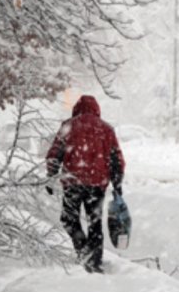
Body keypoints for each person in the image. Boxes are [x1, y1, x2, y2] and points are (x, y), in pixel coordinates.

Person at [45, 95, 125, 273]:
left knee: (68, 219)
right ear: (96, 109)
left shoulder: (68, 126)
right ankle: (94, 261)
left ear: (76, 109)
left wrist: (51, 177)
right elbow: (116, 160)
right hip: (97, 185)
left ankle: (82, 251)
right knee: (94, 222)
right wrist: (117, 183)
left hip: (73, 183)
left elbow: (54, 154)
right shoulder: (106, 129)